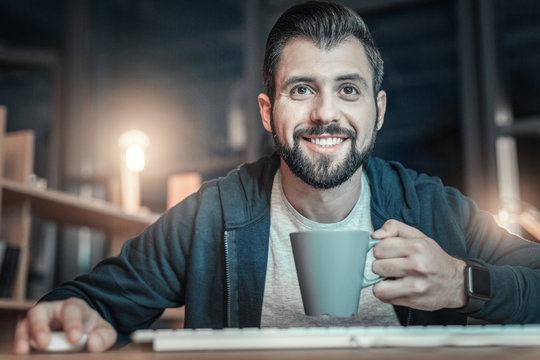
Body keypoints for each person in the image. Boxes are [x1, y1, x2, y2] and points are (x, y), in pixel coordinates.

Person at [13, 1, 540, 354]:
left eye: (349, 90)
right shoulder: (212, 214)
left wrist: (462, 282)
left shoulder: (432, 208)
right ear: (268, 112)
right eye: (302, 89)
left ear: (378, 111)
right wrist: (70, 314)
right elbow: (95, 299)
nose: (325, 114)